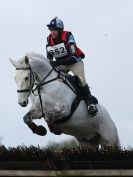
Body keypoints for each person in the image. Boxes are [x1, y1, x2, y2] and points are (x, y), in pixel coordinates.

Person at [46, 17, 98, 117]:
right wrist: (50, 61)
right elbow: (49, 54)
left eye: (55, 30)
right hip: (62, 64)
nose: (52, 32)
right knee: (53, 79)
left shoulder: (68, 35)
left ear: (60, 30)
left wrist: (56, 63)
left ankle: (90, 103)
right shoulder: (49, 39)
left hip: (75, 62)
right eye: (51, 30)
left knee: (81, 80)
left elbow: (73, 56)